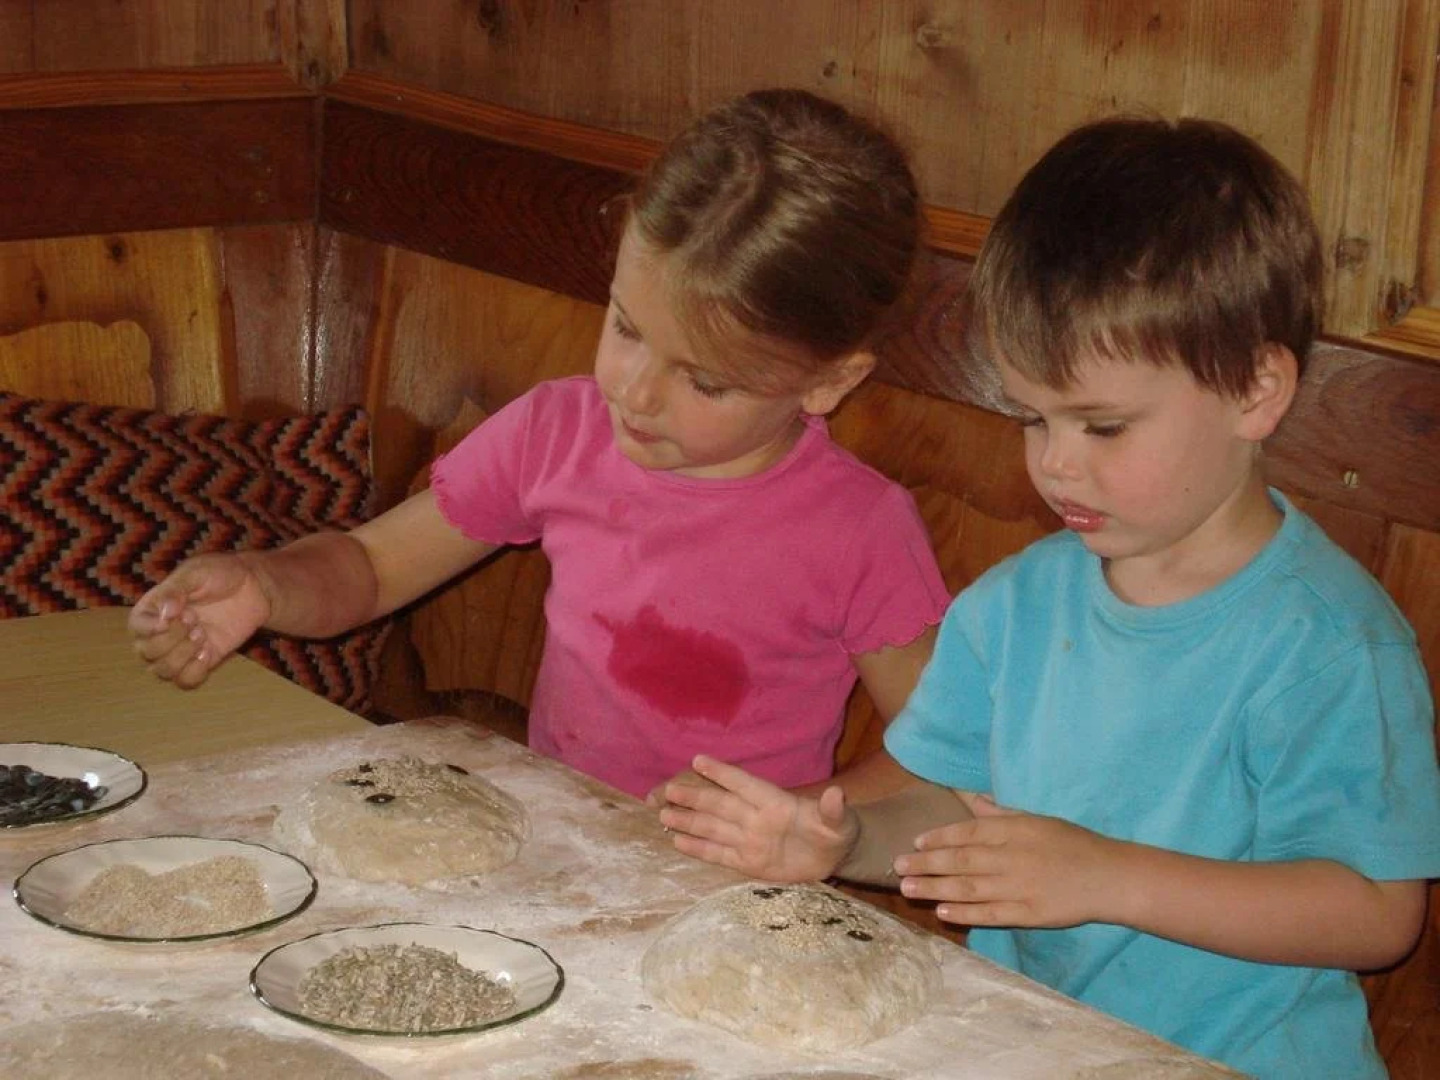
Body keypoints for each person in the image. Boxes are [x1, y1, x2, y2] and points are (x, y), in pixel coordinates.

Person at [656, 116, 1440, 1080]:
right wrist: (844, 843)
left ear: (1255, 390)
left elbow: (1376, 912)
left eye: (1102, 426)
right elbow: (947, 808)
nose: (1056, 464)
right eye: (1033, 418)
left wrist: (1109, 877)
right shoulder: (1017, 604)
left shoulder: (1327, 644)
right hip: (1036, 1046)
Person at [128, 88, 950, 804]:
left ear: (828, 382)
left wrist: (804, 820)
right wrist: (268, 585)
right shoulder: (558, 433)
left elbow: (944, 765)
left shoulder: (860, 529)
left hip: (729, 901)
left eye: (705, 382)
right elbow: (372, 567)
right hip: (561, 848)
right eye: (626, 328)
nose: (635, 393)